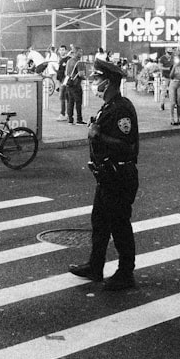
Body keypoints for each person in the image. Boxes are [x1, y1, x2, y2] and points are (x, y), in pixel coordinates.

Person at [69, 59, 141, 291]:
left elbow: (128, 146)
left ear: (108, 82)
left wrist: (99, 136)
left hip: (119, 175)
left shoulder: (121, 108)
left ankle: (125, 272)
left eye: (97, 79)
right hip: (107, 176)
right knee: (99, 222)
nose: (93, 83)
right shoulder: (110, 106)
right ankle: (95, 266)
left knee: (119, 225)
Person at [63, 45, 86, 125]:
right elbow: (81, 74)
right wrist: (85, 78)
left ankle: (70, 120)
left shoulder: (69, 61)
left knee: (70, 102)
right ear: (76, 53)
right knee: (78, 102)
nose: (81, 53)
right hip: (76, 84)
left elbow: (66, 73)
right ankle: (79, 120)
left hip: (69, 84)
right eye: (80, 52)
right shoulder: (79, 62)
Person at [166, 51, 180, 125]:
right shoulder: (174, 66)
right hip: (173, 84)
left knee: (179, 103)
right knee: (172, 102)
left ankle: (178, 119)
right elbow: (171, 76)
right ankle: (172, 119)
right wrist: (174, 67)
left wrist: (177, 76)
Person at [55, 44, 71, 122]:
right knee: (64, 98)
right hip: (61, 81)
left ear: (66, 51)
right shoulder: (60, 60)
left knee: (64, 98)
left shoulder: (68, 59)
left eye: (63, 50)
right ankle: (67, 114)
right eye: (60, 50)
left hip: (66, 82)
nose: (61, 51)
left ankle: (63, 114)